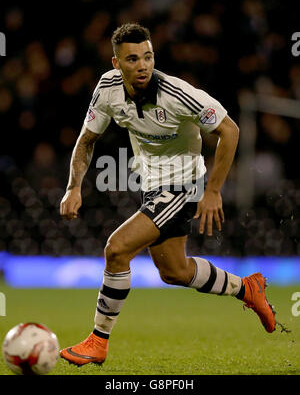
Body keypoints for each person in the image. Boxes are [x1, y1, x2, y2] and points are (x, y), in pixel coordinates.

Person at [59, 23, 276, 366]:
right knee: (174, 271)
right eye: (133, 59)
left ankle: (98, 341)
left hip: (184, 185)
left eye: (148, 56)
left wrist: (213, 191)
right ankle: (247, 288)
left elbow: (229, 130)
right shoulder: (107, 88)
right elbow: (86, 140)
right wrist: (73, 187)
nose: (143, 65)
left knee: (116, 250)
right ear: (117, 64)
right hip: (151, 186)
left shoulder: (178, 94)